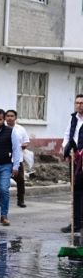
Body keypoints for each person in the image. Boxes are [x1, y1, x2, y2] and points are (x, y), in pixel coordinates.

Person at [60, 94, 83, 233]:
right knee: (75, 190)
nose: (79, 105)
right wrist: (66, 149)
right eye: (77, 103)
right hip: (75, 158)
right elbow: (68, 135)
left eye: (82, 103)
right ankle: (76, 222)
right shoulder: (73, 118)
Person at [5, 109, 30, 208]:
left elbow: (26, 141)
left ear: (15, 118)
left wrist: (25, 145)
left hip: (17, 159)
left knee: (20, 180)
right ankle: (1, 200)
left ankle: (21, 200)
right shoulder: (2, 129)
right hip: (4, 159)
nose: (10, 118)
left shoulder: (21, 129)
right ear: (5, 117)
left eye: (12, 116)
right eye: (8, 116)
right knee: (3, 181)